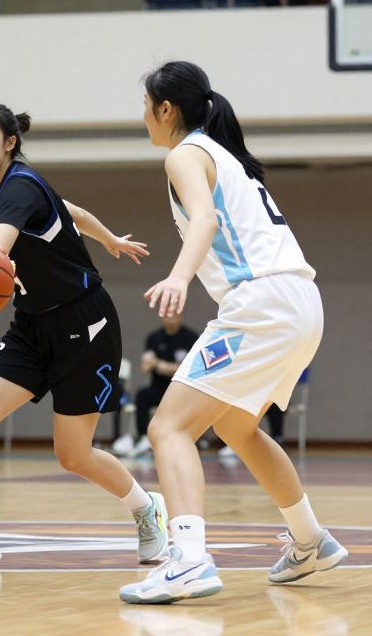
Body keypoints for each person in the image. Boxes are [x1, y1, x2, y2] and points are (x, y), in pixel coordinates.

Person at [119, 61, 347, 605]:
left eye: (145, 104)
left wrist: (177, 277)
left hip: (261, 305)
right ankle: (309, 538)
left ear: (166, 109)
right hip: (299, 302)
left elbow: (205, 221)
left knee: (168, 429)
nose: (142, 115)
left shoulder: (185, 153)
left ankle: (189, 561)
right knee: (238, 428)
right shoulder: (224, 156)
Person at [0, 101, 166, 568]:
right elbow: (69, 209)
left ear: (9, 142)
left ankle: (147, 510)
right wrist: (108, 238)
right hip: (32, 323)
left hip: (83, 323)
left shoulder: (20, 186)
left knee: (73, 454)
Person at [112, 311, 197, 457]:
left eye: (174, 314)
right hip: (158, 387)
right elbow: (145, 367)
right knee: (142, 395)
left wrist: (159, 364)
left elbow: (187, 369)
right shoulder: (154, 338)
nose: (170, 317)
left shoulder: (190, 337)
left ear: (180, 316)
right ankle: (143, 438)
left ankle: (184, 440)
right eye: (167, 314)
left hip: (180, 388)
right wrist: (161, 366)